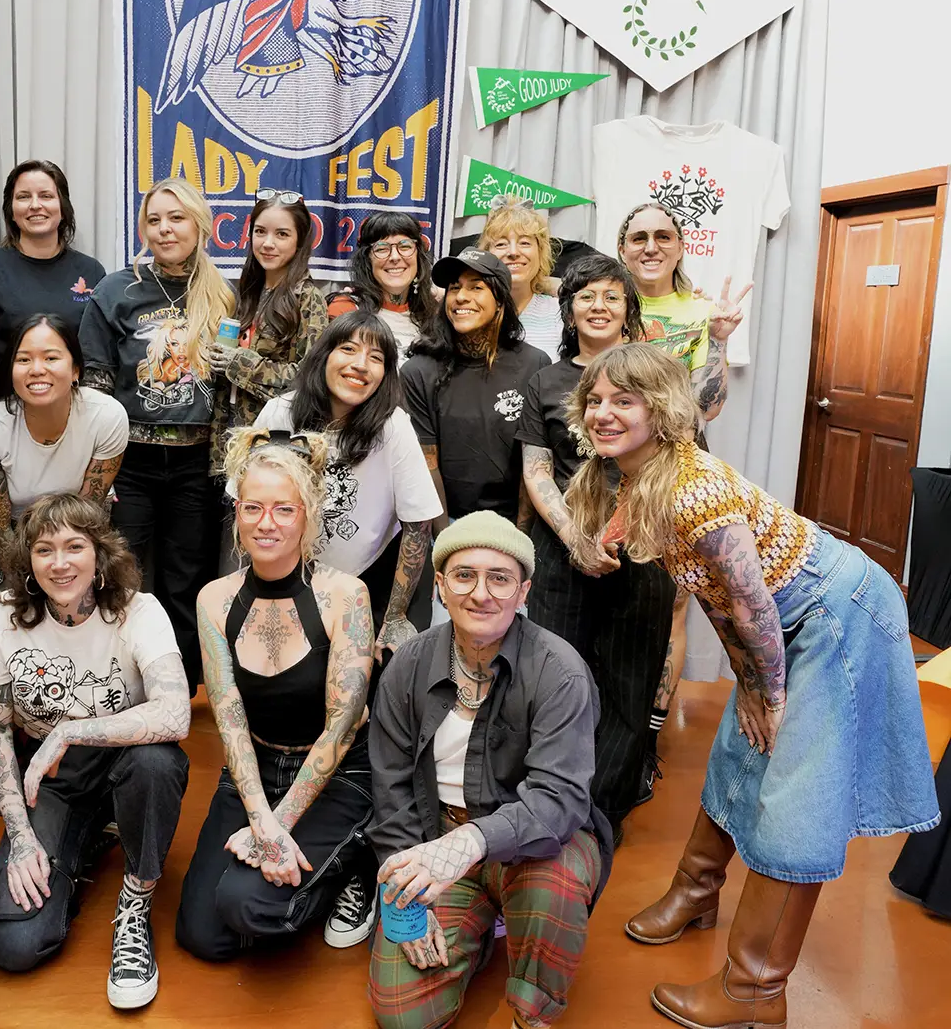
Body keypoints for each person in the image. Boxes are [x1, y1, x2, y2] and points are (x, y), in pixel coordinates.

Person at [563, 343, 938, 1029]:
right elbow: (716, 594)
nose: (604, 413)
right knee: (741, 750)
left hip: (835, 614)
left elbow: (752, 602)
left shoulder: (691, 488)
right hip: (778, 618)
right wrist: (750, 681)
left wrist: (769, 691)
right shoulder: (635, 474)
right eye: (596, 399)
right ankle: (696, 892)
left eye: (625, 400)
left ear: (662, 410)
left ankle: (755, 989)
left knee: (800, 791)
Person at [367, 512, 611, 1029]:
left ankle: (533, 1011)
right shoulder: (406, 667)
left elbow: (559, 801)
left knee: (554, 888)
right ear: (440, 586)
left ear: (523, 592)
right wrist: (411, 886)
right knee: (402, 1015)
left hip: (534, 845)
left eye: (499, 578)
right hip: (435, 839)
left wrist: (468, 846)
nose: (481, 593)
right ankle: (475, 933)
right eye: (464, 575)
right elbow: (389, 790)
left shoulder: (559, 671)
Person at [0, 494, 191, 1008]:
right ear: (27, 562)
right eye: (44, 550)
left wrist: (67, 732)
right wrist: (21, 836)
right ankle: (80, 840)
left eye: (74, 546)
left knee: (159, 761)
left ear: (99, 554)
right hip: (50, 778)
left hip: (121, 762)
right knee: (14, 945)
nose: (60, 563)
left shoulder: (139, 610)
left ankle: (136, 897)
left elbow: (175, 714)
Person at [175, 428, 376, 959]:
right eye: (253, 508)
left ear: (308, 515)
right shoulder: (214, 599)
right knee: (203, 937)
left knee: (249, 907)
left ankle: (358, 866)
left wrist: (274, 826)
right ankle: (306, 860)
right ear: (236, 512)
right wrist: (261, 816)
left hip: (337, 773)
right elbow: (229, 716)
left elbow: (343, 726)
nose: (266, 524)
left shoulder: (345, 596)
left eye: (284, 510)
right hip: (256, 769)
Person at [516, 255, 677, 836]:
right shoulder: (545, 380)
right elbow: (537, 473)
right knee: (558, 675)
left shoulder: (658, 371)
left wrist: (623, 532)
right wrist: (576, 538)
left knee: (630, 681)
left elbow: (679, 459)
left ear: (628, 308)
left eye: (613, 295)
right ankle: (549, 796)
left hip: (645, 547)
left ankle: (601, 816)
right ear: (569, 309)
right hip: (563, 551)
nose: (599, 305)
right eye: (587, 295)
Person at [79, 177, 235, 688]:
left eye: (177, 217)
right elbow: (96, 385)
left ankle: (180, 684)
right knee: (122, 571)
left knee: (187, 578)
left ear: (200, 224)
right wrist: (100, 465)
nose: (165, 229)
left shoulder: (224, 293)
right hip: (133, 462)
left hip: (196, 463)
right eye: (154, 219)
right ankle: (118, 677)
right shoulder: (117, 289)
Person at [253, 309, 441, 658]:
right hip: (291, 572)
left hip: (375, 573)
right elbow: (245, 508)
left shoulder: (392, 426)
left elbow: (418, 524)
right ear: (324, 355)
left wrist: (395, 615)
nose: (360, 365)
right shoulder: (280, 414)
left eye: (376, 357)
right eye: (348, 350)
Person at [0, 313, 128, 659]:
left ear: (76, 369)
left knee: (72, 617)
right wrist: (30, 592)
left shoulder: (107, 417)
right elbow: (1, 534)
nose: (37, 369)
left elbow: (85, 518)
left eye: (51, 357)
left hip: (68, 526)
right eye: (23, 359)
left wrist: (60, 580)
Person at [402, 248, 550, 527]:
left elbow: (534, 464)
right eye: (454, 288)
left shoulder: (534, 364)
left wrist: (520, 538)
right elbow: (426, 468)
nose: (460, 297)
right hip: (447, 520)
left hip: (512, 523)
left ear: (500, 300)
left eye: (476, 287)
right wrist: (445, 541)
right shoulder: (418, 372)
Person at [0, 160, 107, 397]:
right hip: (2, 411)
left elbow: (98, 357)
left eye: (46, 196)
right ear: (11, 211)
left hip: (72, 411)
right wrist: (4, 409)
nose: (35, 205)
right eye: (24, 197)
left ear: (63, 206)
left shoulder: (92, 271)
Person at [206, 188, 328, 477]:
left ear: (300, 240)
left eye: (282, 234)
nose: (268, 243)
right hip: (224, 444)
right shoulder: (245, 293)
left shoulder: (308, 298)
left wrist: (241, 364)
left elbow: (310, 379)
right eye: (260, 232)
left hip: (273, 448)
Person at [616, 202, 749, 422]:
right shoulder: (604, 306)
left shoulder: (705, 312)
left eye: (663, 237)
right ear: (623, 250)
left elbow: (706, 410)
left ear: (680, 248)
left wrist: (718, 339)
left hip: (673, 447)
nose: (650, 248)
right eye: (639, 238)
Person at [324, 210, 438, 361]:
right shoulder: (346, 308)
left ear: (418, 255)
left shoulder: (434, 314)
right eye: (382, 249)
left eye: (405, 246)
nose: (395, 257)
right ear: (367, 260)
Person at [478, 195, 563, 360]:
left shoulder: (560, 313)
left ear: (540, 252)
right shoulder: (472, 310)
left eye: (524, 243)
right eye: (501, 244)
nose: (513, 252)